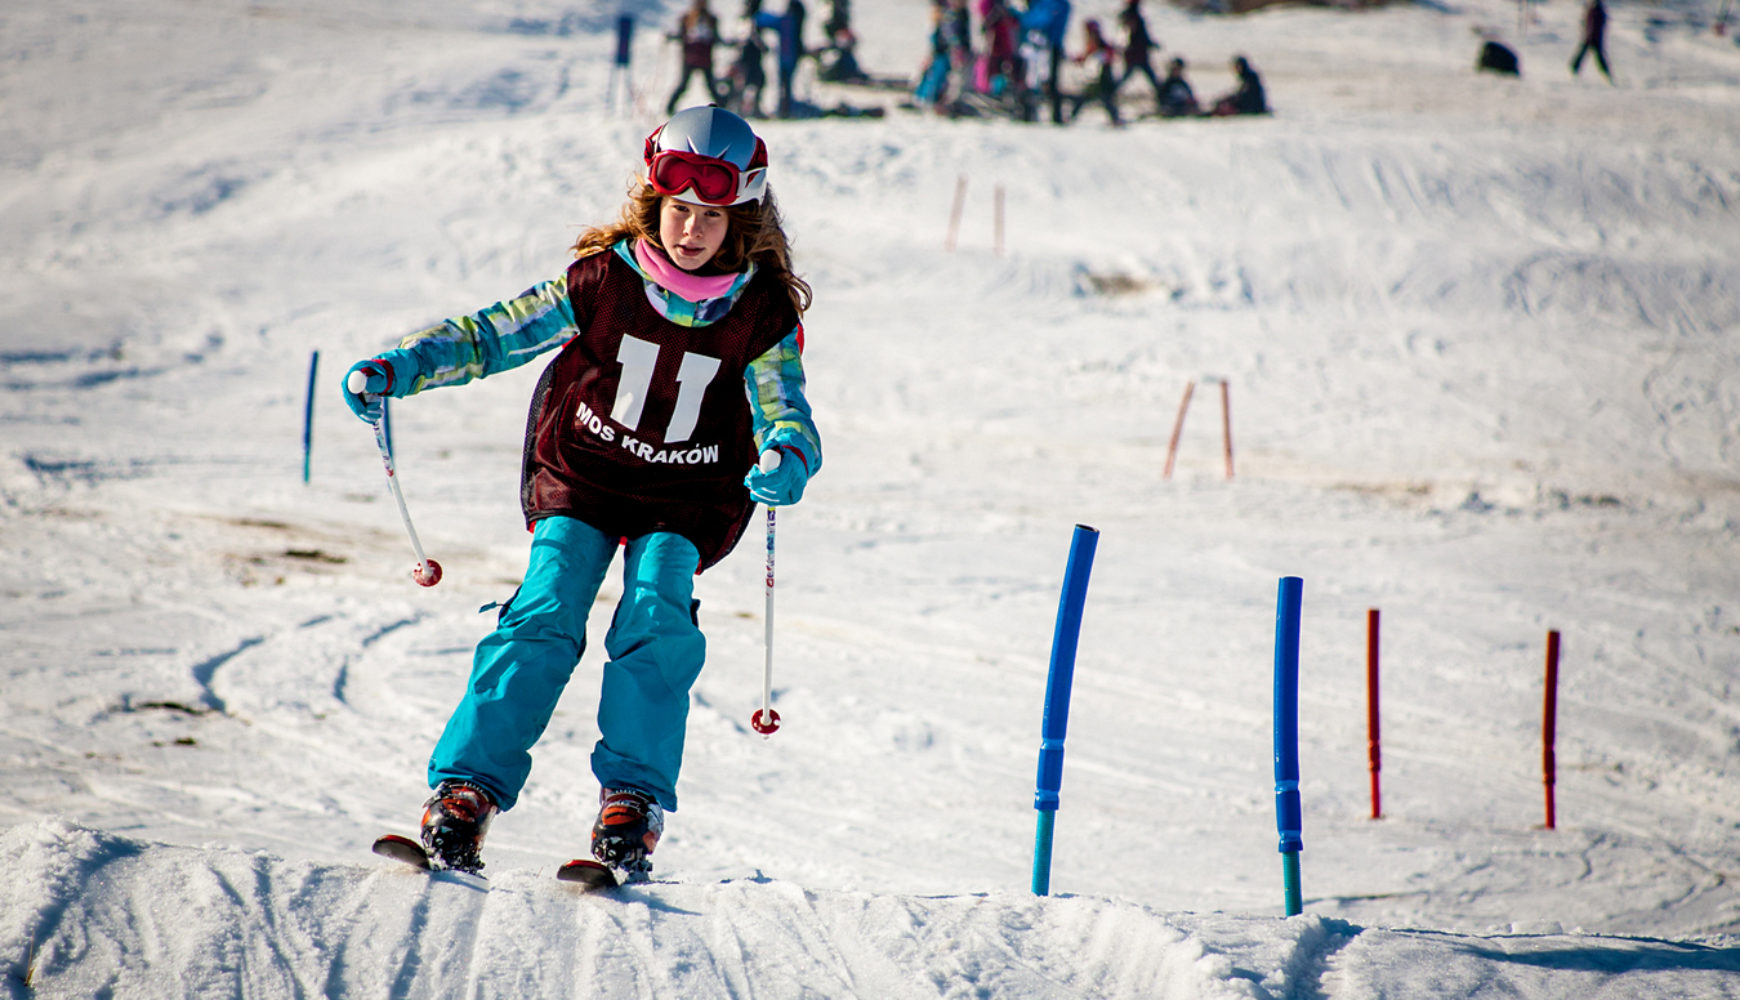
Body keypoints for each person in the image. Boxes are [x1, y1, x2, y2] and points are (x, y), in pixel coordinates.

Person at [341, 106, 822, 880]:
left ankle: (631, 805)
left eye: (710, 216)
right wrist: (403, 365)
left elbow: (784, 405)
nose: (690, 230)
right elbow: (492, 333)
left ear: (740, 219)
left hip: (689, 491)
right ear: (653, 205)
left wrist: (788, 452)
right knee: (547, 604)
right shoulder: (603, 279)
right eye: (678, 211)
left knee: (656, 614)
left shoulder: (761, 312)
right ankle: (466, 792)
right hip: (584, 474)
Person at [666, 0, 724, 115]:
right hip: (690, 58)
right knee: (683, 85)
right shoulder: (687, 18)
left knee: (711, 86)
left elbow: (716, 38)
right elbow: (681, 35)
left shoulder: (712, 19)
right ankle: (669, 108)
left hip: (705, 58)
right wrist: (672, 37)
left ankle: (723, 108)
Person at [757, 0, 808, 118]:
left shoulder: (787, 21)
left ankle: (784, 109)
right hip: (793, 55)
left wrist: (757, 14)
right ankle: (786, 108)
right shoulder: (797, 21)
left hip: (786, 57)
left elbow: (766, 20)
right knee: (787, 85)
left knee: (784, 84)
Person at [1067, 19, 1123, 125]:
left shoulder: (1096, 41)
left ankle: (1072, 116)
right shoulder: (1096, 41)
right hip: (1101, 76)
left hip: (1101, 77)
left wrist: (1081, 59)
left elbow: (1097, 55)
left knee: (1088, 97)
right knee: (1104, 99)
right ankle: (1115, 119)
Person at [1114, 0, 1164, 113]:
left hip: (1137, 53)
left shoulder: (1129, 16)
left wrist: (1149, 43)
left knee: (1129, 76)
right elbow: (1130, 36)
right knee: (1148, 77)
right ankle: (1162, 97)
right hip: (1136, 54)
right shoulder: (1131, 16)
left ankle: (1162, 96)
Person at [1570, 0, 1612, 83]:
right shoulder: (1594, 10)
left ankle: (1574, 69)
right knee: (1588, 54)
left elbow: (1595, 24)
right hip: (1591, 36)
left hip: (1593, 37)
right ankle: (1573, 69)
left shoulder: (1596, 10)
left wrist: (1590, 34)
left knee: (1595, 56)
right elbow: (1587, 22)